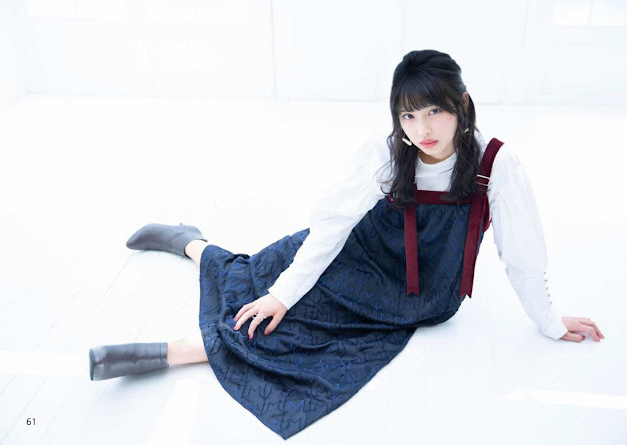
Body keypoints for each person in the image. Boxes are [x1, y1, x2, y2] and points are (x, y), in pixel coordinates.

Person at [88, 49, 604, 440]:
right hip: (359, 252)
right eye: (408, 115)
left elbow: (522, 255)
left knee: (301, 326)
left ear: (461, 104)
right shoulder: (387, 151)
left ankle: (167, 352)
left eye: (434, 112)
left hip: (420, 293)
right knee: (270, 276)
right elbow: (332, 227)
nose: (422, 129)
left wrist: (549, 321)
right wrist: (282, 293)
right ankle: (194, 245)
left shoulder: (496, 164)